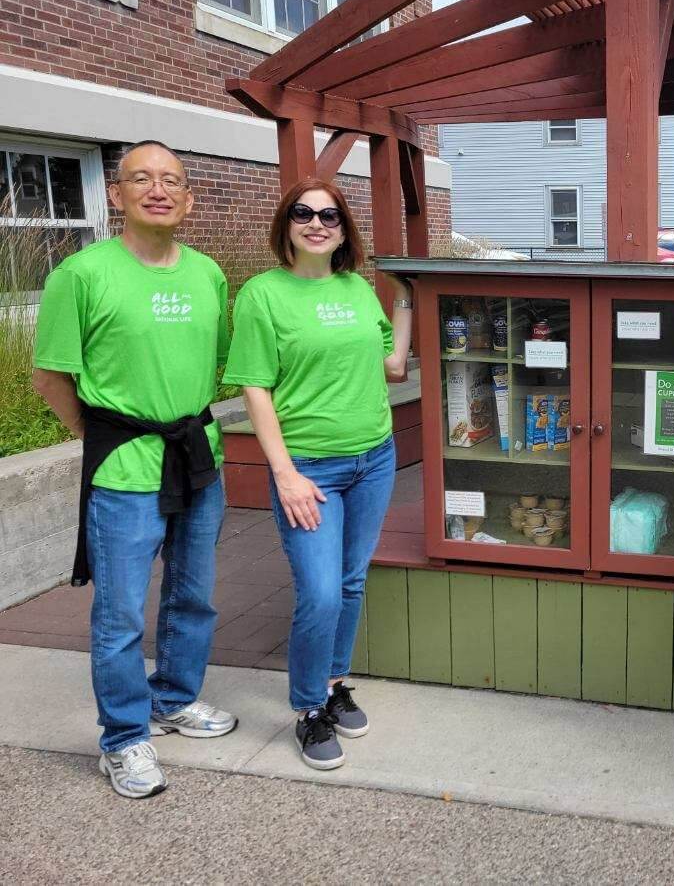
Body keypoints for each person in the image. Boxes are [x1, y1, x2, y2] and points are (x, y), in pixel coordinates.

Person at [32, 140, 237, 800]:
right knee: (119, 612)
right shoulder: (83, 274)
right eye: (141, 178)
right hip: (124, 466)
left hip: (197, 453)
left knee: (193, 590)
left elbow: (215, 362)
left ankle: (173, 697)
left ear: (188, 198)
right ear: (116, 195)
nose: (158, 188)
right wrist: (96, 432)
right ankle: (122, 737)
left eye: (172, 180)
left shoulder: (208, 273)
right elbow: (49, 375)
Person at [222, 178, 412, 771]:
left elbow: (392, 366)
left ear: (342, 231)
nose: (316, 223)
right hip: (309, 469)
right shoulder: (262, 294)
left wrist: (404, 300)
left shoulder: (357, 289)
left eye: (329, 215)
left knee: (351, 581)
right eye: (303, 213)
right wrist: (283, 474)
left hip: (373, 458)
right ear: (287, 225)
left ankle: (333, 683)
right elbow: (254, 385)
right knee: (321, 591)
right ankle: (309, 708)